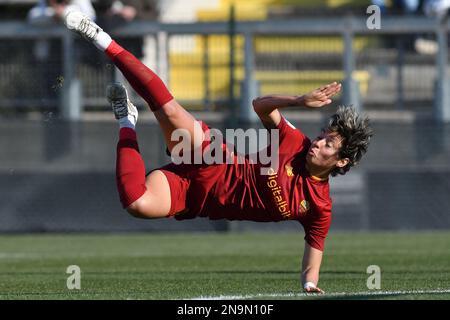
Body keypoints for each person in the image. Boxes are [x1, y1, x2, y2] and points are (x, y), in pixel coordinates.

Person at [63, 11, 373, 294]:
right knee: (168, 109)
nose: (318, 143)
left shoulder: (320, 207)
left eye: (328, 145)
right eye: (322, 137)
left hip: (196, 197)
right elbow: (260, 106)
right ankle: (101, 38)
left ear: (342, 161)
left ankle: (126, 120)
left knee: (136, 203)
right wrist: (297, 100)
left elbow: (313, 253)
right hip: (214, 159)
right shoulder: (295, 142)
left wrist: (309, 283)